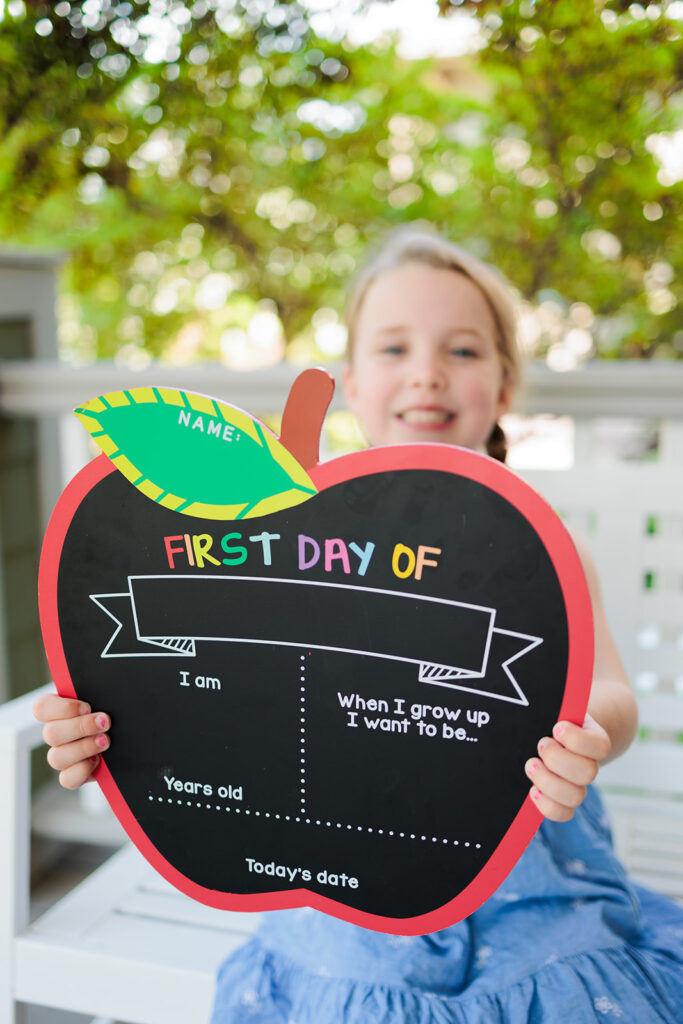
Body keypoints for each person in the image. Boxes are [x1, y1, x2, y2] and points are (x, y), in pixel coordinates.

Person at [34, 228, 683, 1022]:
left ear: (505, 387)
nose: (426, 373)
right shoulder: (289, 543)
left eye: (464, 351)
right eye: (392, 348)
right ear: (348, 384)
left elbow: (610, 689)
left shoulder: (542, 548)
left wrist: (586, 733)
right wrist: (105, 726)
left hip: (529, 868)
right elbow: (215, 686)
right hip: (337, 860)